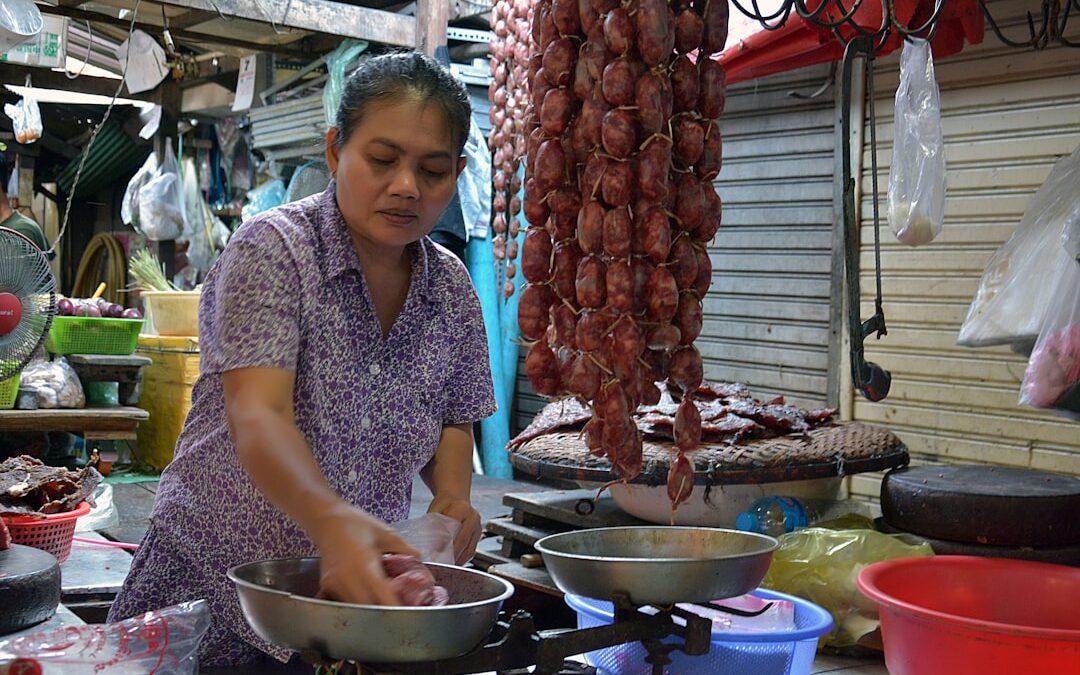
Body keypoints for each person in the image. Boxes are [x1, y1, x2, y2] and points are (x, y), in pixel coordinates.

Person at [107, 52, 497, 669]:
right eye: (382, 159)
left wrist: (451, 498)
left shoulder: (449, 287)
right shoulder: (275, 250)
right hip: (210, 594)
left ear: (458, 174)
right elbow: (258, 418)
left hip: (343, 608)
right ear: (336, 151)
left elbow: (454, 413)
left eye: (433, 169)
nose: (406, 187)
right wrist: (332, 522)